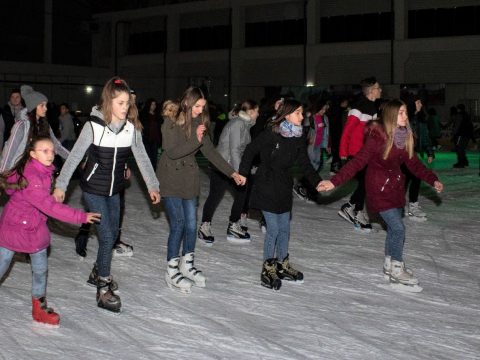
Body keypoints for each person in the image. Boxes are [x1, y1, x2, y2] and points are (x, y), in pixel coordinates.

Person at [53, 77, 160, 313]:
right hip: (93, 190)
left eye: (127, 103)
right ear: (109, 102)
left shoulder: (131, 129)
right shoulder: (93, 127)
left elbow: (142, 157)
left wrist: (153, 185)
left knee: (111, 237)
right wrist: (61, 185)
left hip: (115, 190)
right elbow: (74, 157)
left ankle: (97, 270)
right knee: (108, 233)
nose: (125, 107)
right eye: (120, 103)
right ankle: (103, 286)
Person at [318, 99, 443, 290]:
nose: (405, 116)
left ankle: (388, 265)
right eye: (401, 113)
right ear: (392, 116)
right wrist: (333, 181)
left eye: (406, 113)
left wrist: (432, 179)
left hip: (395, 189)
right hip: (378, 189)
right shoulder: (377, 139)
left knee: (393, 229)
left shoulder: (403, 136)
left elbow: (415, 164)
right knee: (398, 228)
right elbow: (357, 162)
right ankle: (397, 269)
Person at [0, 136, 100, 326]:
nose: (50, 154)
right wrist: (80, 217)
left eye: (52, 151)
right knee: (2, 263)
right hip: (14, 226)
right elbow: (49, 207)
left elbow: (44, 203)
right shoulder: (32, 177)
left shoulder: (44, 171)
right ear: (32, 154)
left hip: (34, 226)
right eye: (44, 151)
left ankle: (39, 306)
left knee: (40, 269)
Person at [157, 86, 246, 294]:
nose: (200, 110)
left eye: (203, 107)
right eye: (197, 106)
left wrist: (232, 173)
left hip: (189, 179)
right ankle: (171, 270)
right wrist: (195, 139)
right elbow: (172, 152)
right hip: (170, 178)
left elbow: (211, 152)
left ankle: (186, 265)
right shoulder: (170, 120)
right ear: (187, 102)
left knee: (190, 224)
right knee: (178, 223)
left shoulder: (200, 123)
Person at [238, 99, 322, 291]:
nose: (303, 116)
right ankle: (268, 268)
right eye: (299, 113)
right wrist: (243, 173)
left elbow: (305, 163)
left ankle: (282, 264)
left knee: (285, 228)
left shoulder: (299, 136)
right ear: (288, 114)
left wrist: (317, 182)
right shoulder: (272, 134)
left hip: (283, 185)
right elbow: (251, 150)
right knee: (273, 229)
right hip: (266, 184)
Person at [198, 99, 259, 245]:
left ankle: (233, 224)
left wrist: (248, 167)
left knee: (241, 194)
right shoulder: (238, 123)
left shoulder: (244, 124)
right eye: (257, 111)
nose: (258, 114)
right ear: (250, 112)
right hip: (222, 166)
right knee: (216, 195)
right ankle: (204, 226)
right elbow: (234, 149)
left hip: (231, 166)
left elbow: (242, 150)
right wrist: (238, 173)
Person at [338, 77, 382, 232]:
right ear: (371, 90)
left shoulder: (373, 108)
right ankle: (352, 208)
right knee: (366, 182)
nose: (380, 90)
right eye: (378, 88)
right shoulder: (359, 106)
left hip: (367, 153)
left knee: (367, 182)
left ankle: (352, 207)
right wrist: (343, 154)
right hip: (356, 153)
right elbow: (347, 131)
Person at [0, 85, 69, 173]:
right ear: (33, 107)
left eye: (46, 105)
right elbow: (9, 151)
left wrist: (74, 158)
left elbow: (56, 146)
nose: (46, 108)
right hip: (23, 170)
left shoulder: (45, 125)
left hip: (41, 168)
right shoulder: (22, 125)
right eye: (42, 105)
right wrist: (3, 174)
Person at [405, 96, 434, 222]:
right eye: (417, 102)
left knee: (416, 178)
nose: (420, 105)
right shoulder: (404, 118)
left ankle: (412, 204)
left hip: (414, 152)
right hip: (403, 152)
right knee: (405, 180)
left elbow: (425, 136)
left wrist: (429, 152)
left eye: (420, 102)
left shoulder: (422, 119)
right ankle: (401, 205)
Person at [140, 98, 162, 171]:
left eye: (155, 104)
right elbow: (141, 126)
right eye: (152, 104)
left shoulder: (158, 115)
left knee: (154, 158)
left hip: (155, 139)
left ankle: (154, 172)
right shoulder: (143, 114)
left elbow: (160, 127)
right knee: (148, 157)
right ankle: (148, 172)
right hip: (146, 139)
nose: (154, 106)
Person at [452, 104, 474, 168]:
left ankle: (461, 162)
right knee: (462, 148)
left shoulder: (459, 115)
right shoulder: (466, 115)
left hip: (461, 134)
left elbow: (457, 125)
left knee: (459, 148)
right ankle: (465, 161)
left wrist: (454, 133)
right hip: (467, 134)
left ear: (458, 109)